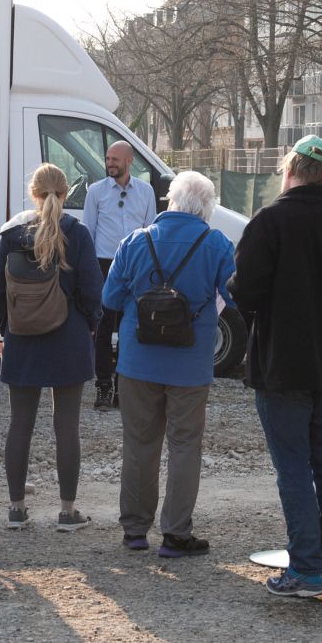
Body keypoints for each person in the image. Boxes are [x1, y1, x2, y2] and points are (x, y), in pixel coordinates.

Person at [230, 136, 322, 599]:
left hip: (282, 365)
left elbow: (244, 292)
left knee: (293, 467)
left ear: (289, 170)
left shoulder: (269, 221)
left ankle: (307, 568)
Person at [103, 170, 237, 559]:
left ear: (170, 201)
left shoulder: (135, 241)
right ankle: (176, 533)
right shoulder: (217, 244)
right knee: (184, 445)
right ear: (208, 207)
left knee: (139, 443)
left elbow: (110, 298)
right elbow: (235, 296)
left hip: (138, 360)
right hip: (190, 364)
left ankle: (135, 530)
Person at [0, 163, 103, 532]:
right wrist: (89, 324)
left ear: (32, 194)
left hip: (22, 338)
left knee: (20, 424)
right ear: (66, 194)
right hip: (68, 336)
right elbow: (92, 289)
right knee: (66, 426)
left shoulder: (12, 234)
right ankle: (67, 512)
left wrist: (8, 325)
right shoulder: (77, 233)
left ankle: (16, 509)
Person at [82, 140, 152, 411]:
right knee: (102, 328)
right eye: (108, 158)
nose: (109, 163)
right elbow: (88, 232)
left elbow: (150, 231)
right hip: (103, 264)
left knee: (129, 328)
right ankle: (103, 385)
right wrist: (89, 272)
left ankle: (123, 387)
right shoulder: (96, 192)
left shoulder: (145, 191)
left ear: (129, 161)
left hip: (134, 266)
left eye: (115, 159)